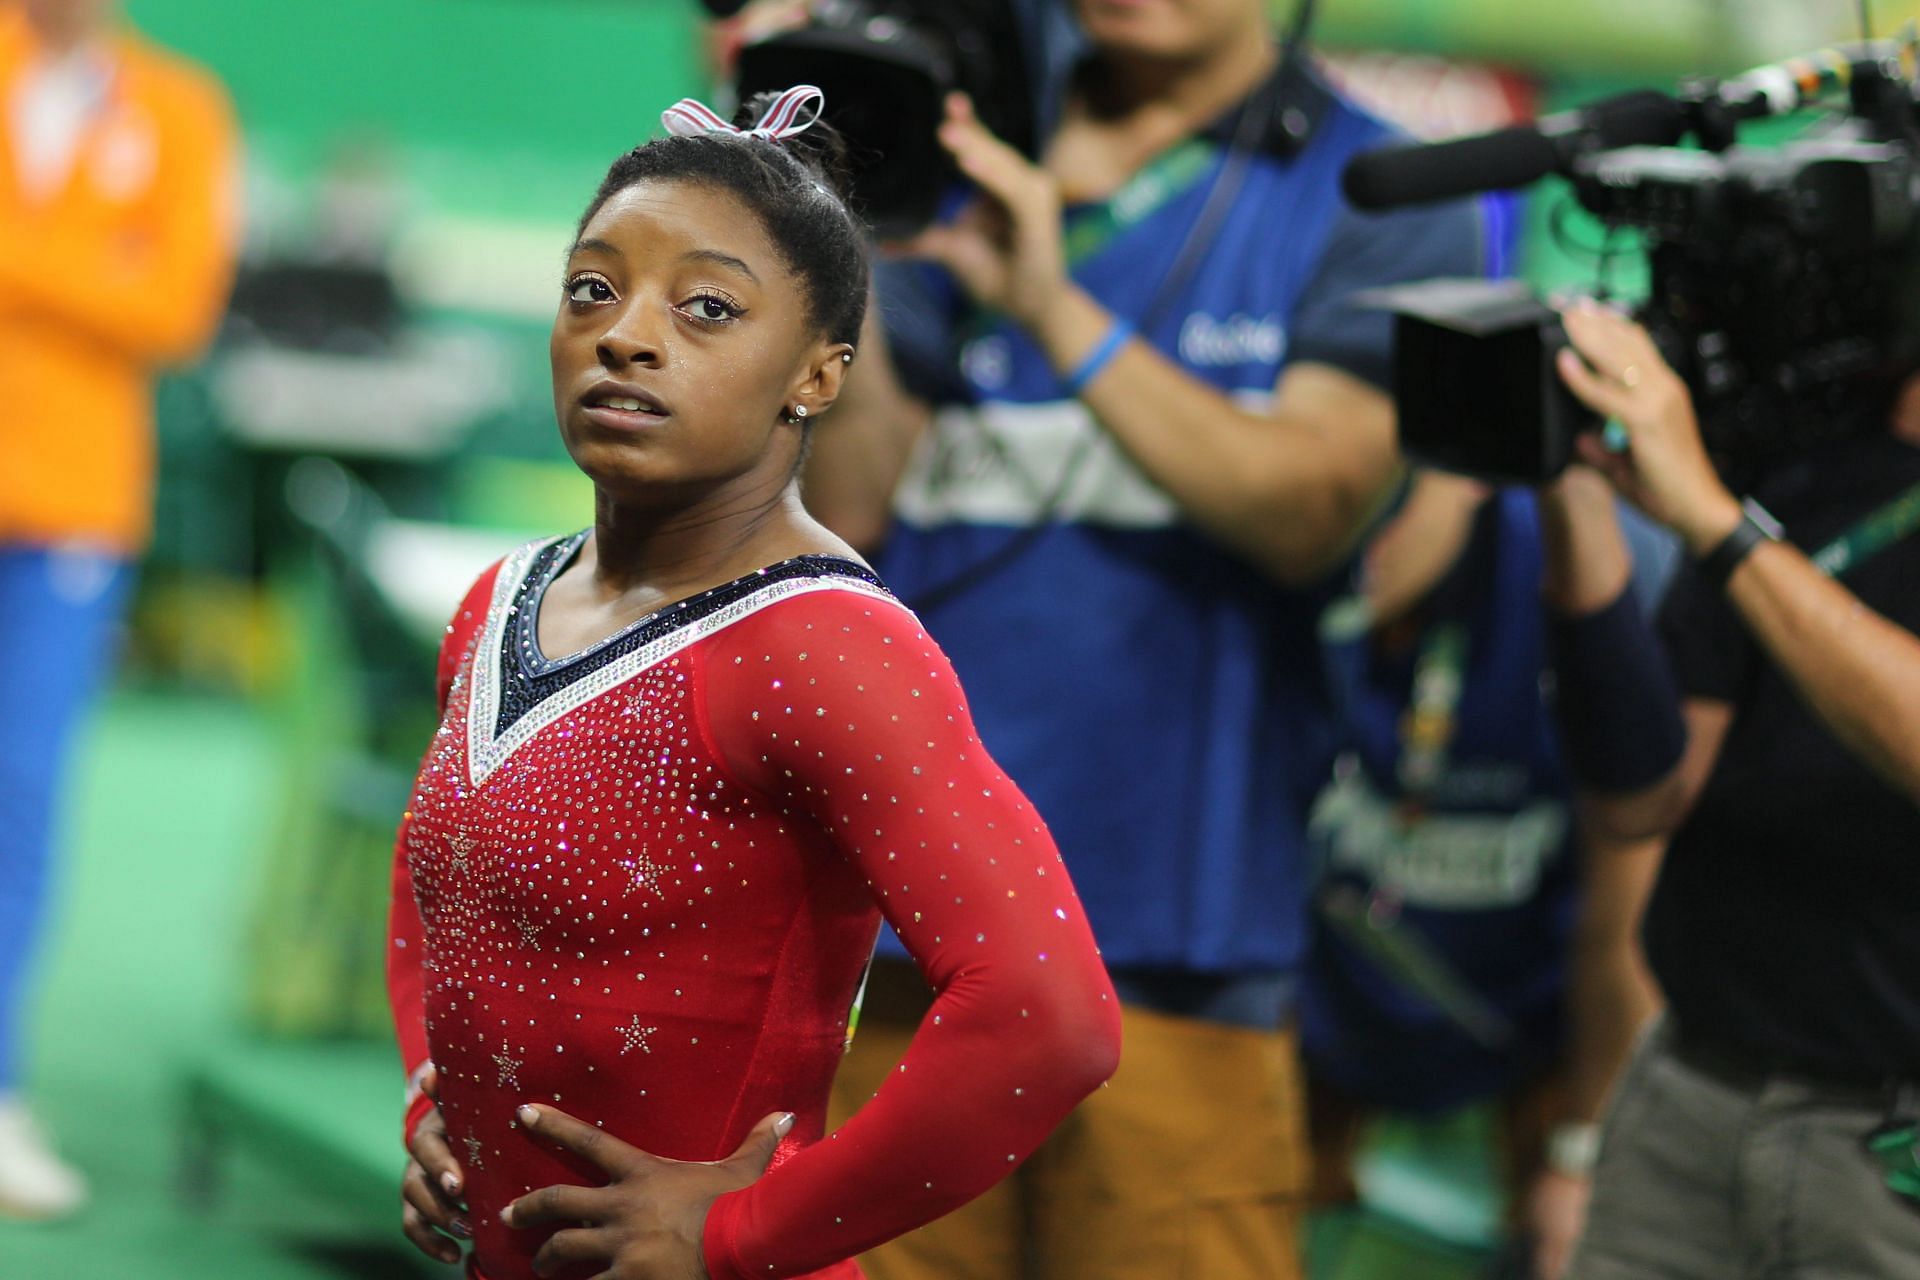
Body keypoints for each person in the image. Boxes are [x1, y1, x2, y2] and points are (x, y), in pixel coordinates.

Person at [383, 88, 1122, 1280]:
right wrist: (434, 1094)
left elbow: (1051, 1017)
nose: (626, 333)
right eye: (592, 288)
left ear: (818, 376)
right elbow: (437, 883)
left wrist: (747, 1227)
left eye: (708, 307)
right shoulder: (500, 600)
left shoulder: (823, 646)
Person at [803, 1, 1482, 1274]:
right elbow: (851, 511)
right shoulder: (952, 143)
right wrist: (833, 238)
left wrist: (1055, 308)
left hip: (1180, 957)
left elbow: (1308, 509)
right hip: (901, 941)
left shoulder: (1380, 191)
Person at [1537, 299, 1920, 1279]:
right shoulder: (1812, 452)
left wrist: (1714, 519)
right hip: (1689, 1091)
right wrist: (1570, 490)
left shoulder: (1732, 509)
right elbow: (1643, 793)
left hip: (1893, 1151)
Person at [1300, 470, 1665, 1280]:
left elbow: (1624, 922)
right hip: (1312, 1042)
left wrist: (1580, 1151)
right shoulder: (1287, 539)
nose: (1372, 539)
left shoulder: (1597, 571)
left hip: (1527, 1053)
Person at [0, 0, 237, 1219]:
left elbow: (177, 306)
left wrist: (17, 254)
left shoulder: (179, 109)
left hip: (75, 506)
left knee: (21, 791)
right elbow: (128, 286)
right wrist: (94, 263)